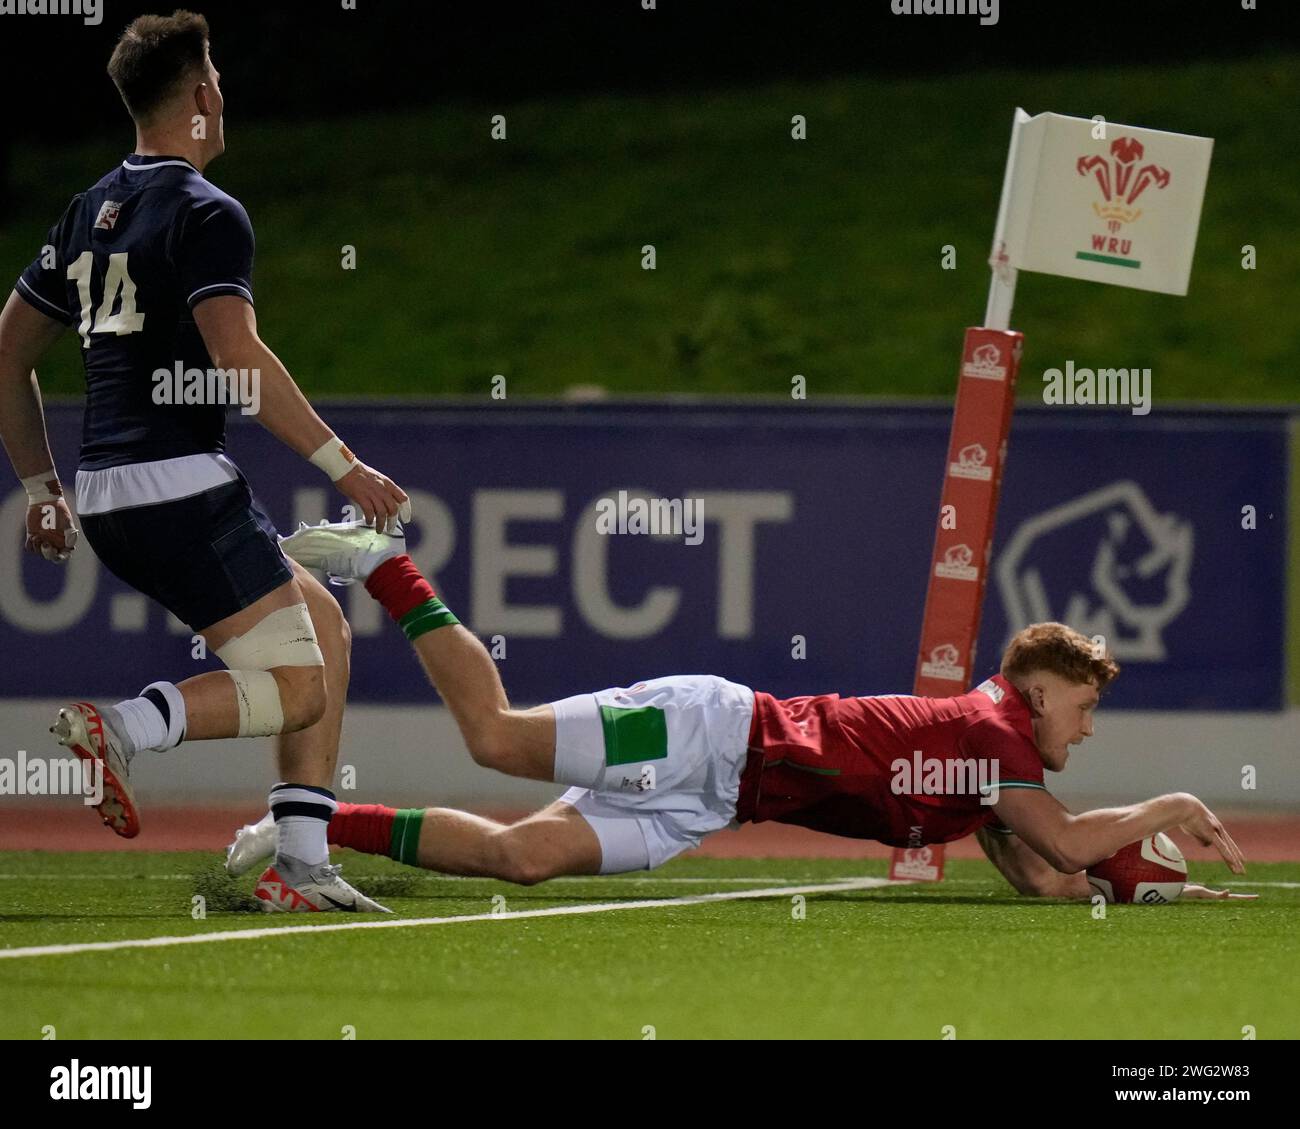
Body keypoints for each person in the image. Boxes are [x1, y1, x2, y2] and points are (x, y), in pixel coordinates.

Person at [225, 520, 1255, 903]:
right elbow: (1068, 841)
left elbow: (1046, 870)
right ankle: (384, 562)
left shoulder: (988, 768)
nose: (1084, 728)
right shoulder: (994, 735)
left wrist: (1147, 890)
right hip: (707, 730)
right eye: (1081, 708)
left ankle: (299, 829)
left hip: (708, 803)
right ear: (1036, 693)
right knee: (493, 736)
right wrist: (1163, 804)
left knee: (521, 859)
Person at [0, 11, 408, 912]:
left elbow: (8, 349)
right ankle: (124, 727)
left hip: (111, 497)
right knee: (299, 687)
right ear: (199, 97)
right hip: (183, 486)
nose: (223, 91)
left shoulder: (86, 211)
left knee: (324, 634)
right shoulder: (205, 211)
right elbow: (240, 361)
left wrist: (41, 488)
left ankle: (298, 861)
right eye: (215, 75)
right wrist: (345, 466)